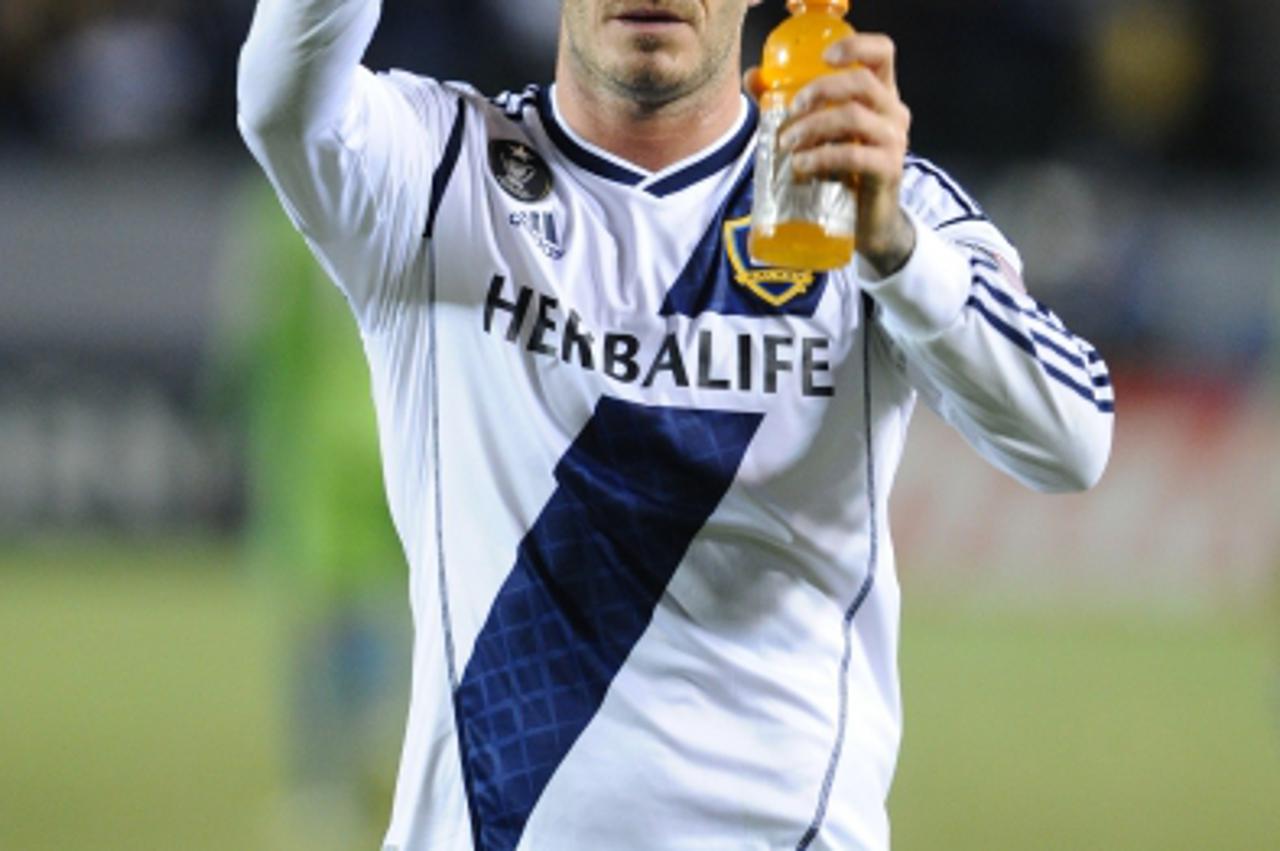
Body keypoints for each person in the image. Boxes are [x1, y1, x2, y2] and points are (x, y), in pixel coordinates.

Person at [237, 1, 1114, 849]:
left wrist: (895, 249)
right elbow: (280, 96)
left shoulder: (867, 195)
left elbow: (1073, 438)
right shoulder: (435, 168)